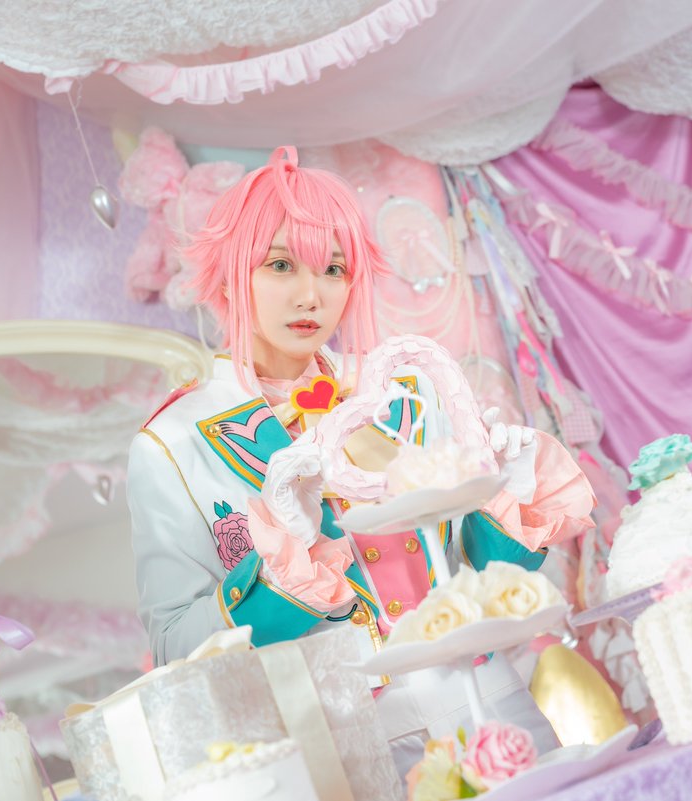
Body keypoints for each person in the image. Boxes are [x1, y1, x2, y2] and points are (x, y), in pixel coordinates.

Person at [126, 146, 596, 769]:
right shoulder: (172, 443)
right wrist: (278, 584)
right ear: (232, 275)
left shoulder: (406, 389)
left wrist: (505, 500)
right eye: (281, 265)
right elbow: (173, 647)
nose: (310, 296)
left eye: (333, 269)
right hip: (343, 736)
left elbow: (477, 570)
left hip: (489, 696)